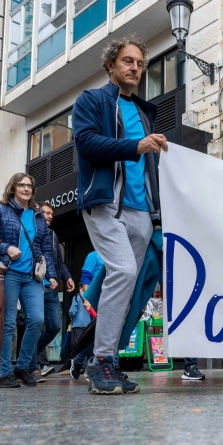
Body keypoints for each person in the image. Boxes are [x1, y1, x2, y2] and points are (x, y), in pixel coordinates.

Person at [72, 33, 167, 395]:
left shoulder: (144, 111)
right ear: (111, 64)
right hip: (103, 204)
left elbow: (151, 167)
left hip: (142, 211)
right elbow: (86, 143)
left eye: (140, 63)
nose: (135, 68)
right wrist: (134, 145)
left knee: (125, 285)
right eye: (128, 61)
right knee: (124, 271)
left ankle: (104, 359)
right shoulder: (92, 100)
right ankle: (99, 359)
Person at [0, 173, 58, 389]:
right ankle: (4, 373)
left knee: (37, 320)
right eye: (21, 185)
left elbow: (45, 248)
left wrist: (51, 274)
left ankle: (22, 367)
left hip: (32, 276)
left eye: (29, 186)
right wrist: (5, 247)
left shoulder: (37, 215)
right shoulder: (0, 212)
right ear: (13, 188)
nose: (26, 189)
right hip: (8, 274)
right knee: (8, 322)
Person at [33, 203, 75, 381]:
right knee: (35, 324)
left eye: (51, 213)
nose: (50, 216)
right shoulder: (32, 231)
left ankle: (29, 353)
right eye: (46, 213)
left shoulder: (53, 235)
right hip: (35, 285)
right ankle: (32, 364)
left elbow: (58, 260)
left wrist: (67, 277)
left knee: (55, 326)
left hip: (52, 288)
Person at [70, 251, 103, 381]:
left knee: (111, 334)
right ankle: (80, 360)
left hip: (113, 298)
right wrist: (88, 298)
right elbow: (86, 276)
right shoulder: (94, 255)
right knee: (96, 336)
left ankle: (113, 367)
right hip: (97, 300)